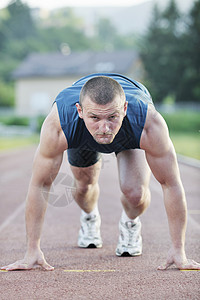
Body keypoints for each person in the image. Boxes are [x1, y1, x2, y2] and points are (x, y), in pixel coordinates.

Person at [1, 73, 200, 271]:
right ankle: (90, 216)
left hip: (129, 132)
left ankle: (130, 222)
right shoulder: (60, 124)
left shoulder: (148, 123)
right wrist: (31, 250)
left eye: (111, 117)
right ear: (79, 110)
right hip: (82, 135)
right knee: (83, 188)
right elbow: (40, 184)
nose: (104, 128)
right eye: (95, 117)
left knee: (136, 194)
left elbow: (171, 183)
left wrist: (178, 250)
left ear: (124, 109)